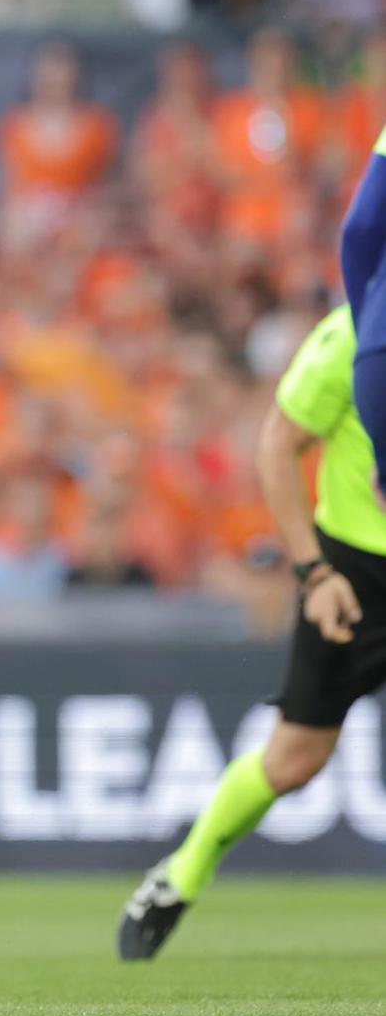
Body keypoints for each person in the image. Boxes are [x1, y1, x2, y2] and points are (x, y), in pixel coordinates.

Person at [118, 305, 379, 959]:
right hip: (358, 573)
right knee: (295, 757)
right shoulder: (352, 335)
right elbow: (278, 444)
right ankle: (182, 875)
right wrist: (315, 573)